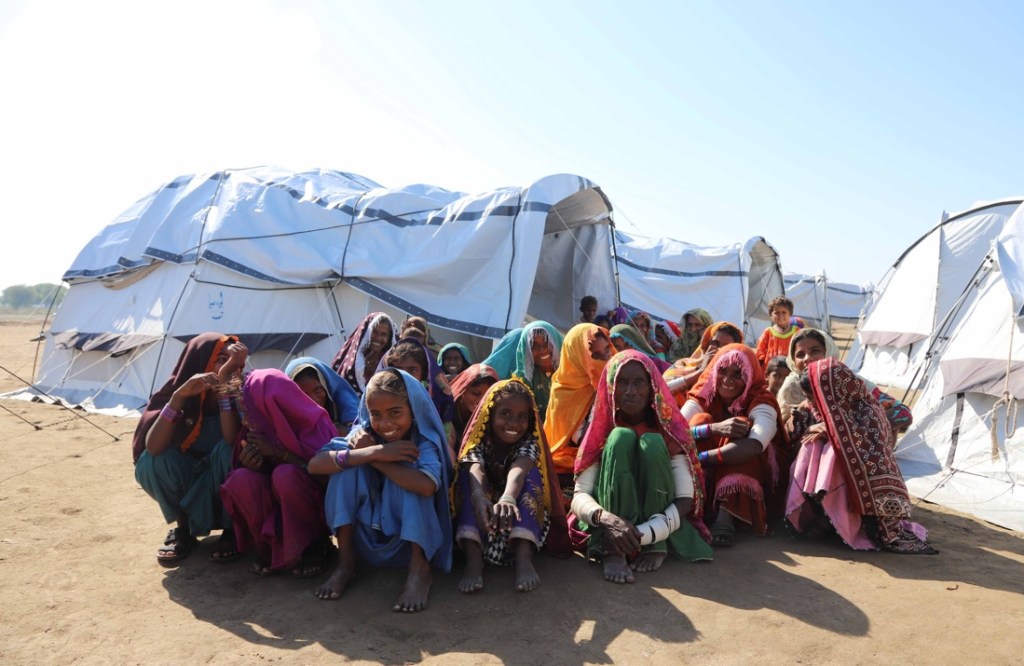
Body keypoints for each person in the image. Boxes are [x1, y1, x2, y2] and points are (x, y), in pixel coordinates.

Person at [309, 368, 453, 612]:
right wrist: (374, 451)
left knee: (409, 476)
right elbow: (315, 465)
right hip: (366, 544)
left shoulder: (422, 442)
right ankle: (346, 564)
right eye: (376, 414)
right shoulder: (363, 436)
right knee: (346, 471)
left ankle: (419, 569)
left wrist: (379, 460)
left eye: (395, 412)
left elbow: (427, 486)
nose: (385, 424)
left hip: (408, 544)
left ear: (413, 410)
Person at [570, 350, 713, 584]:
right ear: (611, 387)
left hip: (657, 521)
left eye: (639, 382)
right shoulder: (602, 429)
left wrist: (647, 534)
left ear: (651, 387)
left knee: (652, 443)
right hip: (609, 514)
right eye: (622, 382)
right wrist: (608, 521)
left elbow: (685, 499)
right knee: (620, 437)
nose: (631, 391)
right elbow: (580, 495)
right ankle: (613, 551)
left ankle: (655, 546)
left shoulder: (667, 429)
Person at [785, 359, 936, 554]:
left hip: (859, 482)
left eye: (815, 397)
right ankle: (821, 515)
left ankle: (835, 520)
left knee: (833, 453)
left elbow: (869, 449)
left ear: (834, 392)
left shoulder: (869, 411)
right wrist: (810, 428)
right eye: (809, 398)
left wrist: (833, 433)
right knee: (810, 445)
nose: (811, 402)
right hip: (823, 483)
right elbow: (793, 434)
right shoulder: (811, 407)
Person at [132, 333, 247, 566]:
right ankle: (184, 528)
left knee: (229, 451)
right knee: (152, 462)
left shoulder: (241, 392)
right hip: (189, 477)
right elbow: (153, 447)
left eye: (233, 360)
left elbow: (230, 438)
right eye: (220, 359)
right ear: (200, 362)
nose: (228, 365)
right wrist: (178, 397)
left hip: (221, 478)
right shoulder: (179, 392)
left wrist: (224, 389)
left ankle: (232, 528)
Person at [219, 369, 338, 577]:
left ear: (271, 404)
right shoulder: (255, 431)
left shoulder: (315, 424)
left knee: (285, 475)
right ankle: (271, 549)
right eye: (243, 413)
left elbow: (329, 480)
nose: (245, 421)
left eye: (249, 411)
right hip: (279, 506)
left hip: (316, 505)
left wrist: (279, 453)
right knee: (241, 479)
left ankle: (315, 544)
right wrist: (255, 465)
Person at [455, 379, 569, 593]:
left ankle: (523, 556)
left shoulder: (529, 440)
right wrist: (479, 496)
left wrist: (508, 498)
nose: (513, 423)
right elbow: (476, 467)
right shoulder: (479, 438)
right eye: (505, 414)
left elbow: (520, 467)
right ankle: (473, 559)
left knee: (533, 473)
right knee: (466, 476)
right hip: (484, 513)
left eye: (521, 416)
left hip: (514, 512)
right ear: (490, 415)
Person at [681, 344, 784, 547]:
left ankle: (726, 514)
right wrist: (713, 429)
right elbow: (673, 432)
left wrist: (702, 459)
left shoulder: (762, 400)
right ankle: (696, 507)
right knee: (701, 420)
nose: (727, 380)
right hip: (708, 464)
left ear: (750, 376)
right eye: (722, 371)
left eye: (738, 374)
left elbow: (755, 444)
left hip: (749, 465)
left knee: (743, 427)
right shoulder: (704, 393)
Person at [777, 328, 913, 431]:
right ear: (793, 361)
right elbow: (781, 431)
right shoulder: (792, 387)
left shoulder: (850, 381)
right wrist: (812, 429)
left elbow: (902, 412)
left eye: (815, 351)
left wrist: (857, 430)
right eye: (800, 355)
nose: (807, 358)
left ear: (829, 352)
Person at [544, 323, 613, 484]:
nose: (606, 359)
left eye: (607, 350)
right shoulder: (564, 393)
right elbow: (587, 442)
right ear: (577, 357)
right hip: (573, 468)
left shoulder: (620, 373)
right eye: (595, 355)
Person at [481, 321, 563, 423]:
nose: (542, 350)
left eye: (547, 342)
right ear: (526, 351)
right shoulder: (522, 382)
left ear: (556, 342)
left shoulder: (572, 374)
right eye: (533, 345)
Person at [663, 322, 744, 403]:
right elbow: (662, 390)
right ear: (707, 344)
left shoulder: (735, 378)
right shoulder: (684, 364)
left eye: (726, 347)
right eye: (716, 343)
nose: (719, 349)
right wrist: (701, 371)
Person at [286, 357, 359, 436]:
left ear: (326, 387)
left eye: (318, 391)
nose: (313, 399)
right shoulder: (288, 422)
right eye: (304, 395)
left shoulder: (346, 406)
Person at [331, 312, 396, 395]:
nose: (378, 338)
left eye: (384, 334)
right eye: (374, 332)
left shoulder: (388, 363)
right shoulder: (352, 358)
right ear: (366, 332)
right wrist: (362, 369)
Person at [449, 363, 500, 445]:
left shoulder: (493, 416)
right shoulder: (444, 411)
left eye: (488, 396)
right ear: (463, 389)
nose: (481, 401)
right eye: (476, 393)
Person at [755, 296, 799, 369]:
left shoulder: (797, 332)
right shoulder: (768, 332)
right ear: (771, 315)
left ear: (790, 314)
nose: (780, 316)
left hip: (791, 369)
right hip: (771, 370)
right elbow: (760, 352)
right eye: (776, 313)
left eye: (784, 312)